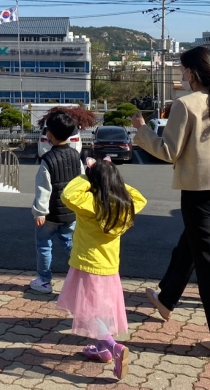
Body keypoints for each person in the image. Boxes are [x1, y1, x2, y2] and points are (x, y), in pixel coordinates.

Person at [131, 45, 210, 358]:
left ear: (192, 73)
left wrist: (142, 132)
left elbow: (168, 151)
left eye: (182, 69)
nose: (180, 75)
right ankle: (166, 299)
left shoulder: (185, 104)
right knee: (190, 247)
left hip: (198, 195)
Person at [57, 159, 146, 381]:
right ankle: (102, 350)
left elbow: (68, 194)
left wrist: (89, 174)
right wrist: (112, 177)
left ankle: (112, 346)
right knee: (102, 309)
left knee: (87, 310)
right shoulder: (124, 204)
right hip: (109, 266)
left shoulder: (92, 203)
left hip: (87, 263)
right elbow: (140, 197)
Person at [30, 112, 84, 294]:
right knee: (70, 244)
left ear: (50, 135)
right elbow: (82, 183)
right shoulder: (76, 156)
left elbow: (43, 189)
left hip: (50, 215)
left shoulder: (47, 160)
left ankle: (44, 281)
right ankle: (82, 276)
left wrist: (39, 212)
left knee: (44, 245)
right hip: (71, 212)